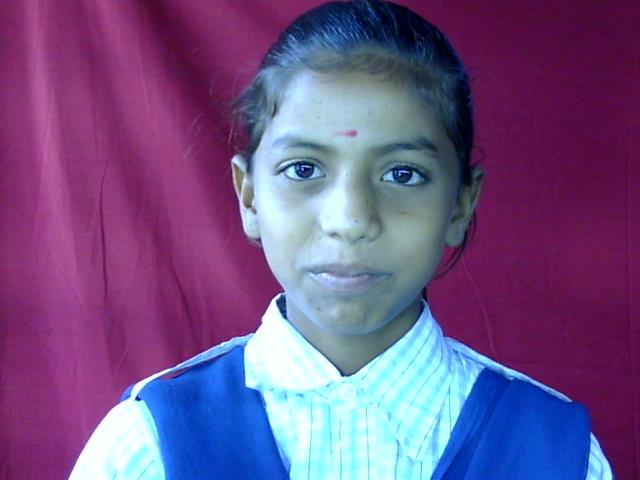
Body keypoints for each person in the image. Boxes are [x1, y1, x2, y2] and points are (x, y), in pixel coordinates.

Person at [70, 1, 613, 478]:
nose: (350, 220)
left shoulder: (555, 454)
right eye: (304, 169)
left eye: (403, 174)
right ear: (250, 196)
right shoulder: (147, 447)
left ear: (461, 204)